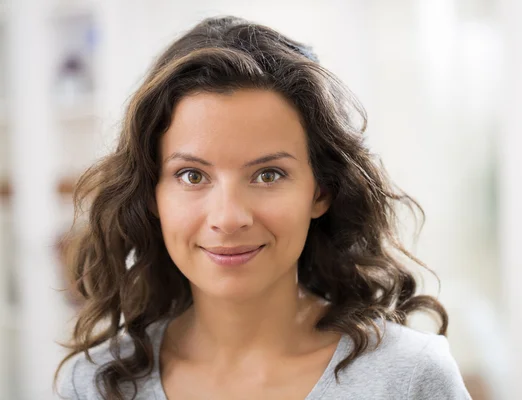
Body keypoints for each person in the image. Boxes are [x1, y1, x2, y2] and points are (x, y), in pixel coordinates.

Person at [54, 15, 471, 400]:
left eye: (268, 175)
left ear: (320, 191)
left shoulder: (409, 377)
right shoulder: (94, 385)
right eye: (192, 176)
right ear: (151, 195)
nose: (229, 217)